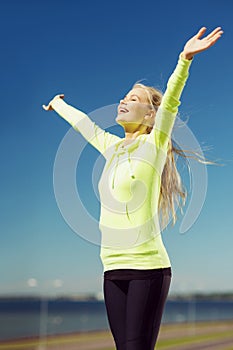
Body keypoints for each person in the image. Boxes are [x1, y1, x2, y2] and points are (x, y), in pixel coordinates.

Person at [43, 26, 223, 350]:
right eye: (125, 96)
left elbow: (170, 101)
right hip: (111, 269)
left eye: (135, 98)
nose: (125, 100)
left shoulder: (154, 144)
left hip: (148, 269)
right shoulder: (110, 147)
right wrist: (57, 104)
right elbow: (86, 125)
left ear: (150, 114)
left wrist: (185, 59)